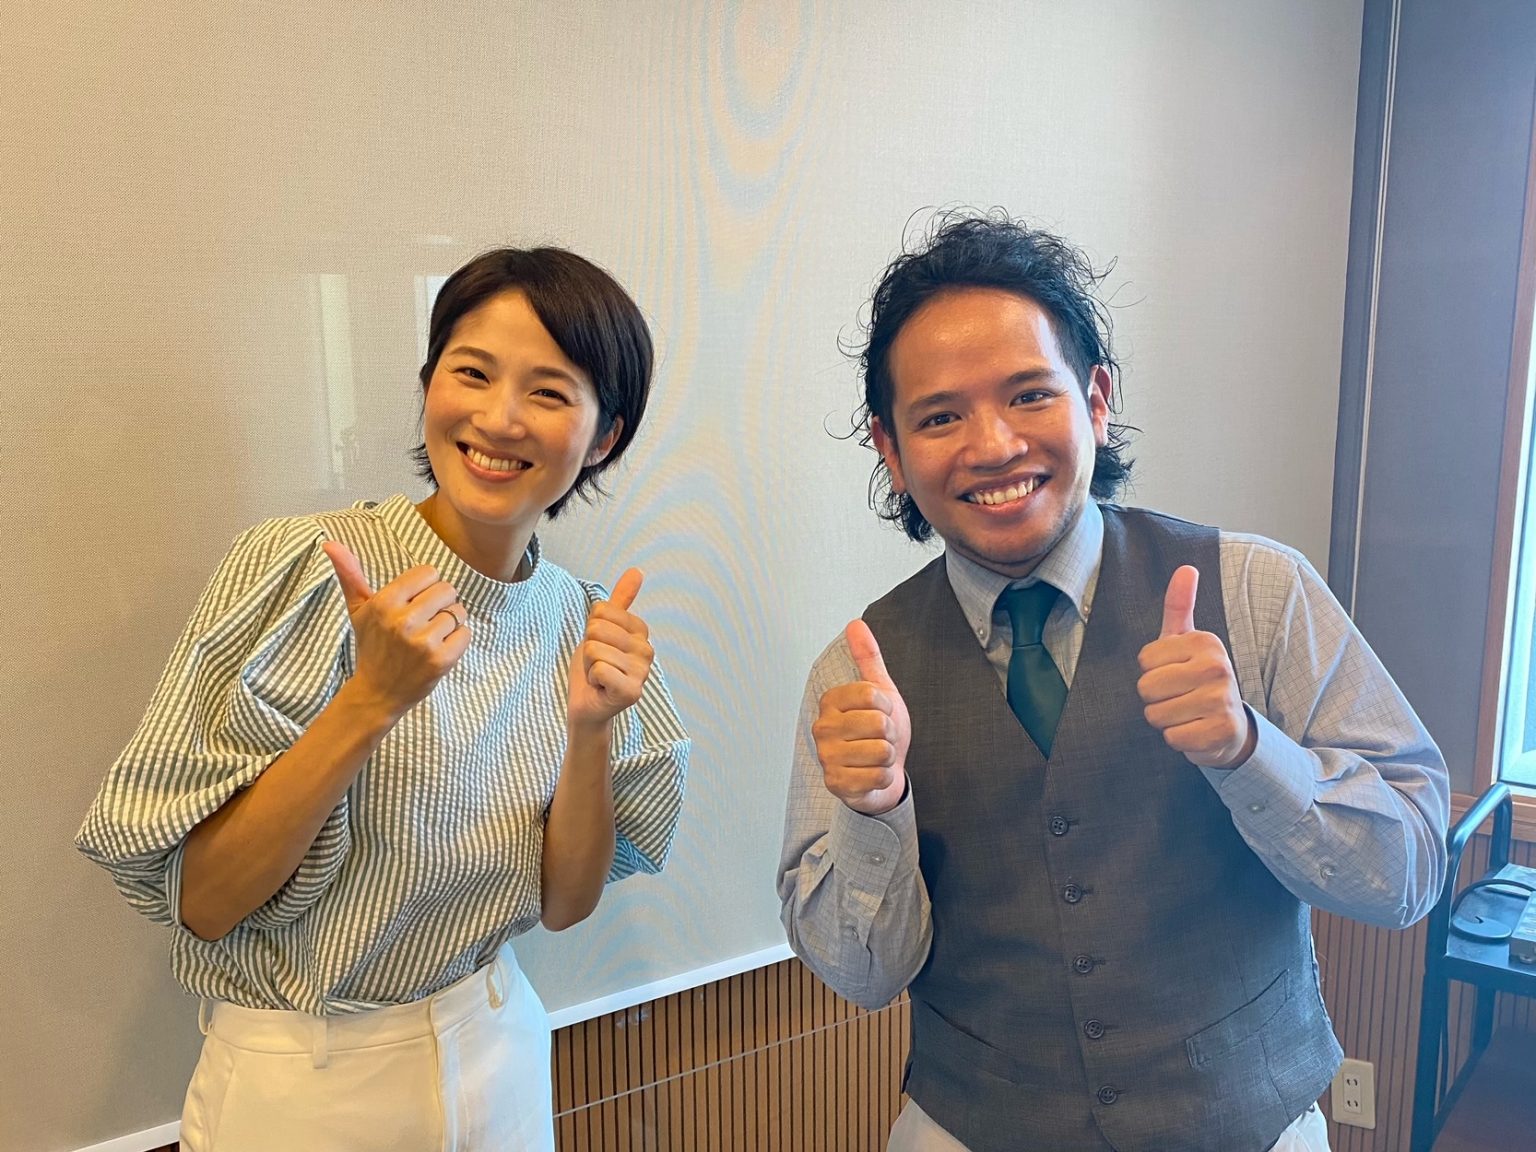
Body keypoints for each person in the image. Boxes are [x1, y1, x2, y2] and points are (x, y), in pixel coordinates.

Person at [778, 212, 1448, 1152]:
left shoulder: (1258, 592)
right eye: (940, 416)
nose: (992, 445)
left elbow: (1408, 871)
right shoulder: (856, 675)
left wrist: (1249, 752)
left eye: (1028, 395)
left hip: (1249, 1127)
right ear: (891, 450)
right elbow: (861, 976)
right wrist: (873, 812)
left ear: (1095, 400)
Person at [77, 246, 690, 1151]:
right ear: (428, 384)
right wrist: (370, 701)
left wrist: (592, 730)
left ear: (604, 437)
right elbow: (205, 902)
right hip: (308, 1078)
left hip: (499, 1046)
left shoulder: (580, 620)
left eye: (549, 392)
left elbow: (566, 903)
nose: (499, 418)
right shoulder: (303, 566)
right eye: (471, 373)